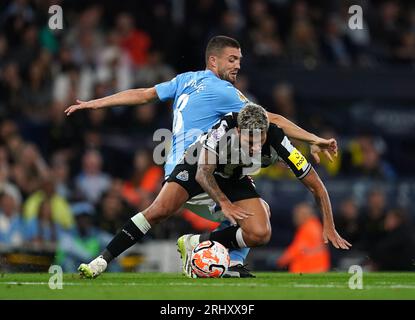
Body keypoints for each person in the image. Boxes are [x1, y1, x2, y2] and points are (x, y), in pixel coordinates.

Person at [65, 35, 338, 277]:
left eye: (239, 60)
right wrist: (314, 138)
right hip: (196, 164)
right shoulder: (223, 91)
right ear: (213, 60)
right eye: (231, 59)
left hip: (202, 165)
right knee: (162, 212)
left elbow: (144, 94)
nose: (237, 65)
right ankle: (109, 259)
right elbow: (270, 119)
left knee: (256, 220)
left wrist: (96, 102)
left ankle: (224, 260)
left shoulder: (185, 79)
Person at [77, 104, 350, 279]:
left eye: (261, 139)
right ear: (239, 130)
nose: (256, 146)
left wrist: (329, 223)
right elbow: (203, 173)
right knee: (159, 211)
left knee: (260, 232)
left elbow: (316, 184)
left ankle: (196, 242)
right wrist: (225, 205)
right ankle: (102, 260)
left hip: (234, 175)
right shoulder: (223, 129)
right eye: (249, 139)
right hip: (199, 165)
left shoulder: (280, 140)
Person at [276, 203, 331, 273]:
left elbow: (297, 248)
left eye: (297, 215)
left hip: (308, 269)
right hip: (319, 268)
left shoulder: (307, 228)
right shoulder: (316, 226)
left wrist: (281, 260)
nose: (295, 218)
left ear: (304, 215)